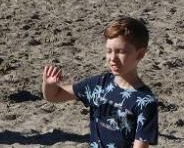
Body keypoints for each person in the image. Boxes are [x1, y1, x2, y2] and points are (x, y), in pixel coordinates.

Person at [41, 16, 158, 148]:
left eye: (121, 51)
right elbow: (54, 96)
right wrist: (49, 85)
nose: (112, 58)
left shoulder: (144, 102)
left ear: (140, 54)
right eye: (109, 51)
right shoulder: (98, 84)